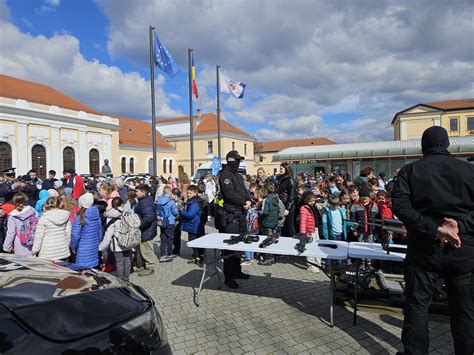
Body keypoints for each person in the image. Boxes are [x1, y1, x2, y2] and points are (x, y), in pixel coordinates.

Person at [392, 126, 474, 355]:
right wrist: (460, 225)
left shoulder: (410, 171)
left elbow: (401, 207)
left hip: (424, 251)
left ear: (423, 146)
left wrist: (436, 229)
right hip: (463, 250)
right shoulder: (469, 170)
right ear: (447, 144)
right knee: (466, 311)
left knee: (418, 308)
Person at [218, 150, 252, 289]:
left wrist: (248, 199)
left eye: (239, 160)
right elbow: (229, 194)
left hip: (241, 214)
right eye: (236, 160)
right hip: (231, 214)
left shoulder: (237, 175)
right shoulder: (225, 175)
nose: (238, 162)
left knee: (240, 246)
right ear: (230, 160)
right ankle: (229, 277)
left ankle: (237, 271)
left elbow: (244, 191)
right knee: (230, 248)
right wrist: (244, 202)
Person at [99, 197, 132, 281]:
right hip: (127, 241)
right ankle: (126, 278)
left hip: (117, 244)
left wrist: (100, 248)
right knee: (127, 259)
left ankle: (120, 279)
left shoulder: (110, 217)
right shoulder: (128, 213)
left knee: (119, 262)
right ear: (122, 204)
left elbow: (108, 235)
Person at [32, 197, 71, 261]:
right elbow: (68, 233)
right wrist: (67, 245)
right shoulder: (65, 215)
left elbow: (39, 236)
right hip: (62, 250)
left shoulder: (43, 218)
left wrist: (35, 250)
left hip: (47, 252)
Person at [70, 193, 103, 269]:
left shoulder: (79, 217)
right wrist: (97, 243)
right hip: (94, 247)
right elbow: (100, 232)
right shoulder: (96, 215)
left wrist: (73, 247)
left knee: (82, 274)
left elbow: (75, 235)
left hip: (82, 250)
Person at [134, 184, 157, 276]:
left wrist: (139, 224)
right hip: (146, 230)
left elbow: (149, 217)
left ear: (143, 192)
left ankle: (150, 267)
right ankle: (142, 266)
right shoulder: (144, 200)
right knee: (143, 249)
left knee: (147, 249)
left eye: (137, 191)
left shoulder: (145, 202)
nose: (135, 193)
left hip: (146, 230)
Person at [181, 185, 203, 264]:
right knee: (193, 241)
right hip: (192, 224)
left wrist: (181, 212)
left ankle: (197, 257)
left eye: (190, 193)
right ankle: (196, 255)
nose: (188, 195)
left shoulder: (195, 203)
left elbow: (190, 214)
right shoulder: (192, 201)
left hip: (194, 225)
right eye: (188, 193)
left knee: (194, 241)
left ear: (195, 193)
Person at [299, 191, 320, 273]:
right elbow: (303, 222)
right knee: (310, 247)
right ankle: (311, 265)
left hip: (316, 229)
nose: (312, 202)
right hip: (309, 231)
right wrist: (303, 233)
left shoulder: (315, 207)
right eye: (310, 201)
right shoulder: (304, 208)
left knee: (317, 246)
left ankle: (318, 263)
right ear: (306, 201)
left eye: (313, 201)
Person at [156, 186, 178, 262]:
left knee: (163, 238)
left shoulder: (159, 200)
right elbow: (175, 212)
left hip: (162, 222)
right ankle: (169, 254)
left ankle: (162, 255)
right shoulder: (171, 202)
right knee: (170, 238)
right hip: (170, 222)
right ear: (170, 192)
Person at [277, 162, 297, 237]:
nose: (280, 170)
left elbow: (292, 196)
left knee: (290, 226)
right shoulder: (282, 179)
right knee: (283, 226)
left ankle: (294, 240)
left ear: (286, 169)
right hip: (282, 205)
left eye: (281, 168)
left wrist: (288, 208)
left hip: (288, 206)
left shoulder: (290, 180)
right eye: (280, 168)